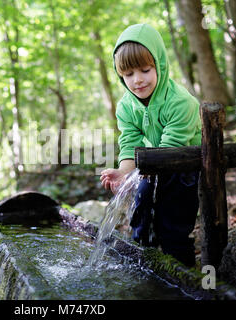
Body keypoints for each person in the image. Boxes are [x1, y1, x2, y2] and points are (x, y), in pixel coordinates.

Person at [100, 23, 201, 267]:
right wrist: (124, 172)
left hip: (184, 163)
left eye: (145, 70)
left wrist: (140, 173)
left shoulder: (180, 102)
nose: (137, 80)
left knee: (172, 226)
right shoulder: (126, 106)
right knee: (141, 213)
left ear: (160, 64)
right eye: (128, 74)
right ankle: (143, 266)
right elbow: (129, 142)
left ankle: (183, 271)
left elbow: (172, 146)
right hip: (154, 164)